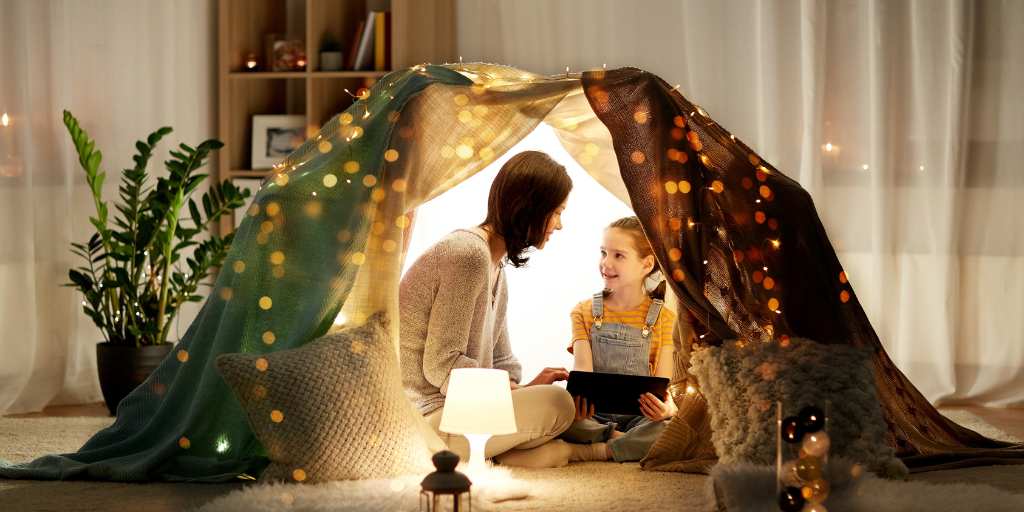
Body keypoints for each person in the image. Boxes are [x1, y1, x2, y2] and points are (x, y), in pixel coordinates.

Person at [400, 150, 578, 468]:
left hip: (466, 407)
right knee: (558, 404)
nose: (560, 225)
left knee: (564, 408)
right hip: (430, 416)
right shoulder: (467, 255)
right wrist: (517, 392)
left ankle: (502, 454)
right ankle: (565, 451)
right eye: (557, 212)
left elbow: (502, 361)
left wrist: (524, 387)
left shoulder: (496, 267)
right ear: (530, 208)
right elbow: (441, 365)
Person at [560, 216, 678, 462]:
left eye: (618, 255)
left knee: (670, 428)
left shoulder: (664, 318)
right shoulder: (582, 311)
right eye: (603, 253)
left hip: (641, 418)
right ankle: (619, 440)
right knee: (560, 417)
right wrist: (577, 406)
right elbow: (583, 373)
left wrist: (666, 409)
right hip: (594, 417)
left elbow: (662, 384)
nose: (605, 263)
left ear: (646, 264)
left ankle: (598, 449)